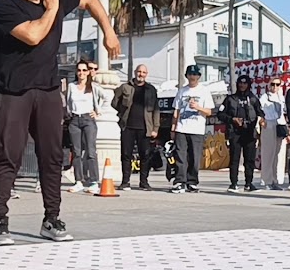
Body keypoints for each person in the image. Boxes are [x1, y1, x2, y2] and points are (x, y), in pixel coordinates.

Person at [0, 0, 120, 246]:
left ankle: (52, 219)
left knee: (52, 156)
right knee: (8, 155)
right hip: (13, 91)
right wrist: (52, 10)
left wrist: (108, 32)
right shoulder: (4, 5)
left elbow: (90, 0)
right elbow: (33, 35)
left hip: (47, 89)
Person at [112, 63, 160, 191]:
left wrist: (155, 128)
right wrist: (122, 112)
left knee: (145, 155)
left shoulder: (151, 89)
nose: (141, 74)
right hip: (127, 126)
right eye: (139, 72)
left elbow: (156, 110)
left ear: (146, 74)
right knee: (126, 154)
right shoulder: (125, 87)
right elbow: (114, 102)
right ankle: (125, 182)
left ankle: (144, 182)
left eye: (143, 72)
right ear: (135, 72)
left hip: (145, 127)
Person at [170, 65, 215, 194]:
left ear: (199, 76)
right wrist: (173, 128)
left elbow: (209, 112)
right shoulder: (182, 91)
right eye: (190, 74)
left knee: (195, 157)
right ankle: (180, 181)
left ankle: (192, 182)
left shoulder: (204, 91)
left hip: (197, 129)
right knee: (181, 156)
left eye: (195, 75)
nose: (192, 77)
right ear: (187, 76)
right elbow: (176, 111)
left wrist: (198, 107)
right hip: (181, 128)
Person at [66, 60, 107, 194]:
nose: (81, 73)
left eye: (84, 70)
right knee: (76, 152)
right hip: (75, 120)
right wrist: (69, 113)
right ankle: (78, 181)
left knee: (91, 151)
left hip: (88, 119)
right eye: (79, 70)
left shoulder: (93, 87)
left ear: (88, 72)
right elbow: (68, 101)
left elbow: (106, 97)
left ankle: (94, 181)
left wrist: (98, 111)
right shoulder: (71, 86)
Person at [218, 74, 263, 192]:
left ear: (249, 85)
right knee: (234, 159)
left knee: (250, 159)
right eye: (240, 83)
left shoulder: (253, 99)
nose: (242, 85)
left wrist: (261, 121)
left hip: (249, 132)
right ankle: (233, 184)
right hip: (234, 133)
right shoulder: (230, 99)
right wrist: (232, 119)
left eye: (245, 83)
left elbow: (260, 113)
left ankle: (249, 183)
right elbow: (220, 114)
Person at [258, 76, 288, 190]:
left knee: (278, 154)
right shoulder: (264, 97)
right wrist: (261, 121)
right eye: (273, 84)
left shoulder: (281, 97)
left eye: (277, 84)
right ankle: (267, 180)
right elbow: (260, 111)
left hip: (280, 124)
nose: (275, 87)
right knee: (268, 153)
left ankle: (276, 180)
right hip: (269, 124)